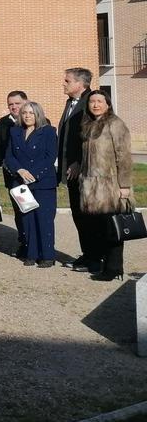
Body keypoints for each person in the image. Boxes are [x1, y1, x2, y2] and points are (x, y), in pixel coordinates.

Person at [78, 91, 133, 282]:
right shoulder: (88, 125)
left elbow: (124, 156)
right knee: (99, 228)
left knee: (113, 229)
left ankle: (114, 268)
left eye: (99, 101)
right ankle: (102, 264)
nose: (95, 104)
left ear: (107, 104)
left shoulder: (115, 124)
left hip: (111, 186)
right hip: (91, 187)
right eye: (92, 101)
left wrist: (124, 185)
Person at [3, 101, 58, 268]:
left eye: (31, 113)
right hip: (20, 183)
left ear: (38, 115)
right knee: (27, 219)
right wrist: (19, 170)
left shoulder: (48, 132)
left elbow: (50, 156)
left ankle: (47, 255)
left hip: (43, 183)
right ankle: (31, 253)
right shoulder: (15, 131)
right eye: (25, 112)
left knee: (44, 219)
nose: (27, 116)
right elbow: (9, 156)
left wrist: (33, 174)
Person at [58, 68, 95, 272]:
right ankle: (87, 254)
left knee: (89, 216)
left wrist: (79, 161)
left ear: (81, 84)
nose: (63, 84)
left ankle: (96, 257)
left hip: (86, 171)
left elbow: (93, 138)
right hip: (70, 171)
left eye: (67, 81)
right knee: (78, 214)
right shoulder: (70, 102)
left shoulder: (92, 101)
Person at [0, 91, 28, 256]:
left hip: (35, 176)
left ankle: (37, 242)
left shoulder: (38, 120)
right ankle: (24, 242)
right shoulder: (2, 124)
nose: (14, 107)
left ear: (25, 102)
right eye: (10, 104)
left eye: (17, 103)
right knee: (21, 209)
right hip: (14, 177)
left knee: (35, 211)